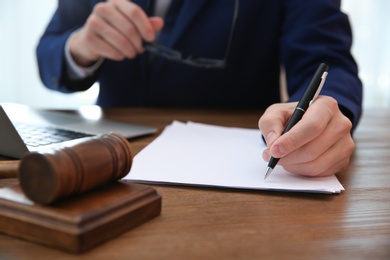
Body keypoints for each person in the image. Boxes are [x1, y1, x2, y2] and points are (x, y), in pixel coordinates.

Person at [36, 0, 362, 177]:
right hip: (110, 157)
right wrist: (80, 46)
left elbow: (325, 57)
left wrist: (330, 111)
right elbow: (52, 46)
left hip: (237, 163)